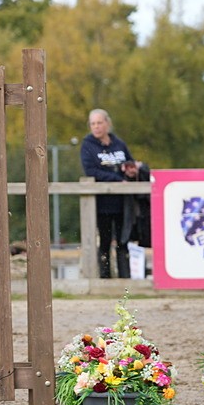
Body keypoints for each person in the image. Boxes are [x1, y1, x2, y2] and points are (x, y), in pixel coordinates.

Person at [80, 109, 135, 279]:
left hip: (121, 202)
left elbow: (129, 162)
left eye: (99, 123)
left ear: (107, 123)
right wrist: (116, 179)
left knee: (123, 241)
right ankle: (105, 279)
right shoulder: (88, 145)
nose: (96, 127)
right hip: (101, 202)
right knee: (104, 241)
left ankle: (126, 279)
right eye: (93, 123)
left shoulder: (118, 144)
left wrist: (131, 171)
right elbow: (90, 170)